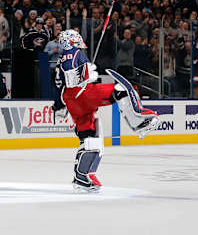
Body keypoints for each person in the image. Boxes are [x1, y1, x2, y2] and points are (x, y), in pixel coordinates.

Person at [52, 29, 161, 193]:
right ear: (72, 40)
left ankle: (82, 177)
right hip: (82, 93)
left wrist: (59, 105)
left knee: (90, 138)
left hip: (72, 101)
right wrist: (86, 74)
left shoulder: (61, 59)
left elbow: (62, 87)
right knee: (119, 89)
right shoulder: (72, 52)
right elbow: (72, 78)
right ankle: (138, 121)